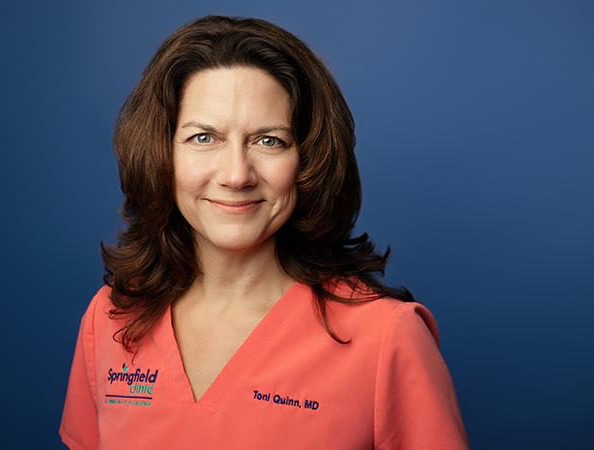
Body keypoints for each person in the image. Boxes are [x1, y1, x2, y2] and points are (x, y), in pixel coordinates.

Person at [60, 15, 468, 450]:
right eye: (203, 138)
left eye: (268, 141)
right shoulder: (111, 317)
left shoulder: (387, 336)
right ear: (161, 152)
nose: (237, 175)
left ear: (309, 159)